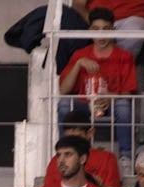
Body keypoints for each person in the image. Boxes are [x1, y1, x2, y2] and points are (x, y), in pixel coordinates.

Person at [56, 14, 138, 163]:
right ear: (89, 31)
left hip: (111, 103)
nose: (101, 34)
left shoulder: (124, 56)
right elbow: (64, 89)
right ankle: (64, 151)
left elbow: (128, 93)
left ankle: (126, 157)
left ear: (113, 31)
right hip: (84, 103)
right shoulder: (80, 55)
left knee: (124, 106)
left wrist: (110, 97)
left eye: (106, 29)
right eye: (95, 29)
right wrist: (78, 64)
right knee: (64, 104)